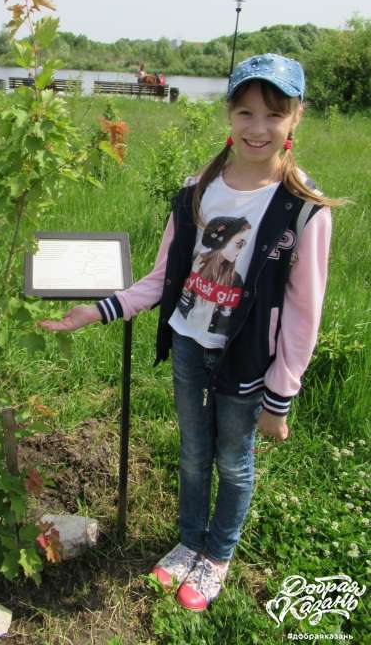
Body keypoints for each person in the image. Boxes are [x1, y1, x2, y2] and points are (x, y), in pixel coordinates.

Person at [39, 54, 343, 611]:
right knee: (192, 453)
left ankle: (218, 555)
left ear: (296, 118)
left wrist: (280, 397)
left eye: (273, 114)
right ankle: (188, 542)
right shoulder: (195, 192)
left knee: (234, 459)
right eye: (245, 112)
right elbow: (161, 279)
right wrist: (99, 310)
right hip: (187, 344)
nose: (257, 128)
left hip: (247, 361)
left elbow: (303, 316)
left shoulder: (305, 212)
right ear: (229, 114)